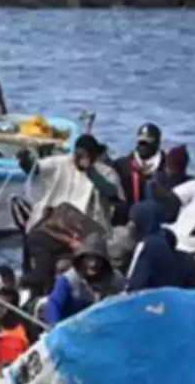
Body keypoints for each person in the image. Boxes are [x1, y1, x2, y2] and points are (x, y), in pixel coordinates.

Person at [17, 134, 124, 296]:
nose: (79, 158)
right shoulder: (62, 163)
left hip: (89, 230)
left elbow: (113, 194)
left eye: (84, 155)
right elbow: (37, 169)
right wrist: (26, 160)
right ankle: (36, 284)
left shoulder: (106, 172)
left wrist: (90, 171)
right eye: (78, 154)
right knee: (34, 238)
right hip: (57, 223)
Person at [44, 233, 127, 325]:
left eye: (98, 259)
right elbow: (54, 304)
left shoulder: (116, 279)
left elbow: (126, 302)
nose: (93, 264)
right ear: (82, 259)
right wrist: (54, 327)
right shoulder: (69, 280)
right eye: (89, 259)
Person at [126, 201, 195, 292]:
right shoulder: (162, 239)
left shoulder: (148, 245)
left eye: (133, 220)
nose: (128, 225)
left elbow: (136, 285)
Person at [112, 123, 165, 221]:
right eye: (141, 142)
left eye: (147, 143)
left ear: (157, 143)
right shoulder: (122, 166)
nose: (142, 146)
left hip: (158, 221)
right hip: (127, 221)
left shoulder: (167, 166)